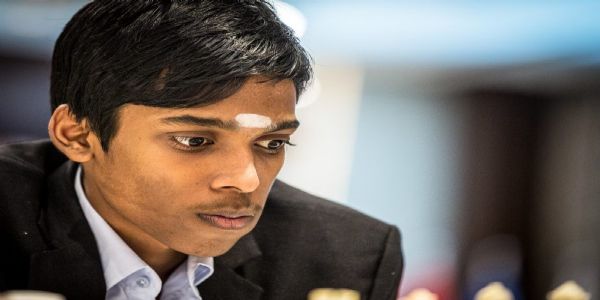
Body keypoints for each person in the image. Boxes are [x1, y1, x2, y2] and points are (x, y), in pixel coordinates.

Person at [0, 1, 403, 299]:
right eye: (195, 141)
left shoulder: (345, 255)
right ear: (78, 136)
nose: (248, 178)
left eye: (272, 144)